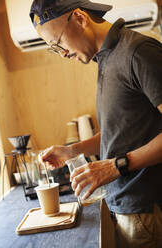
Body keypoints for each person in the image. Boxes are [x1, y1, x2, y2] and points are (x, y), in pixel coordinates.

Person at [30, 1, 162, 247]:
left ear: (80, 18)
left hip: (146, 208)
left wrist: (115, 166)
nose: (63, 54)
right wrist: (73, 150)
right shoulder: (107, 58)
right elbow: (122, 129)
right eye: (54, 49)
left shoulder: (138, 51)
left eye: (59, 43)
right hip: (127, 207)